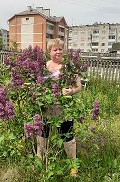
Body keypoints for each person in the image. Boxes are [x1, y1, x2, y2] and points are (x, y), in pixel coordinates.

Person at [36, 38, 81, 177]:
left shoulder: (69, 66)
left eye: (60, 49)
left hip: (64, 108)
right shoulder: (44, 66)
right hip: (46, 107)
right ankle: (40, 162)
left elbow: (78, 86)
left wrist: (71, 91)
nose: (58, 51)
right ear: (49, 52)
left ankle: (73, 167)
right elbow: (36, 84)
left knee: (67, 136)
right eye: (55, 49)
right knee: (42, 134)